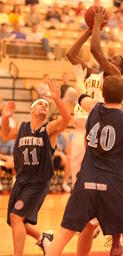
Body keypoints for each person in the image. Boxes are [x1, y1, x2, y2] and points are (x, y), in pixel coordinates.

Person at [46, 75, 123, 256]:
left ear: (102, 93)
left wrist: (78, 78)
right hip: (114, 183)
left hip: (86, 180)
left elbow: (81, 95)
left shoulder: (94, 107)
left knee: (65, 233)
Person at [67, 7, 123, 255]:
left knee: (102, 187)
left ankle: (113, 236)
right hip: (80, 132)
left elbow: (94, 49)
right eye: (110, 58)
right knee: (82, 188)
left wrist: (96, 26)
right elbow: (71, 54)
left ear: (118, 68)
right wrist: (89, 27)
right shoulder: (93, 73)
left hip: (95, 132)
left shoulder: (113, 76)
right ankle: (99, 225)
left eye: (114, 60)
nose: (109, 60)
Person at [1, 80, 71, 256]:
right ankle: (43, 238)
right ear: (31, 109)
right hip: (21, 181)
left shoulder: (50, 129)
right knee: (15, 220)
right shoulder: (22, 128)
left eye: (46, 105)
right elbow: (5, 134)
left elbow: (66, 119)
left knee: (17, 217)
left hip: (38, 182)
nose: (44, 106)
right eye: (40, 103)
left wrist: (57, 100)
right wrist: (6, 117)